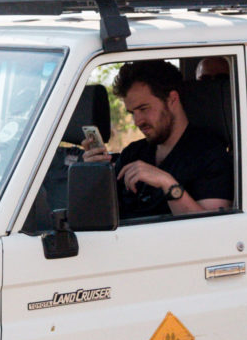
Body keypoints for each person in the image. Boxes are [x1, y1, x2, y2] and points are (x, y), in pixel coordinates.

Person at [86, 60, 234, 220]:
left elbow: (211, 227)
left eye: (144, 109)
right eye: (132, 113)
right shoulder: (133, 153)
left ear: (172, 99)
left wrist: (167, 184)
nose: (137, 121)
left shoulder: (210, 155)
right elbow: (99, 216)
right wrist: (94, 174)